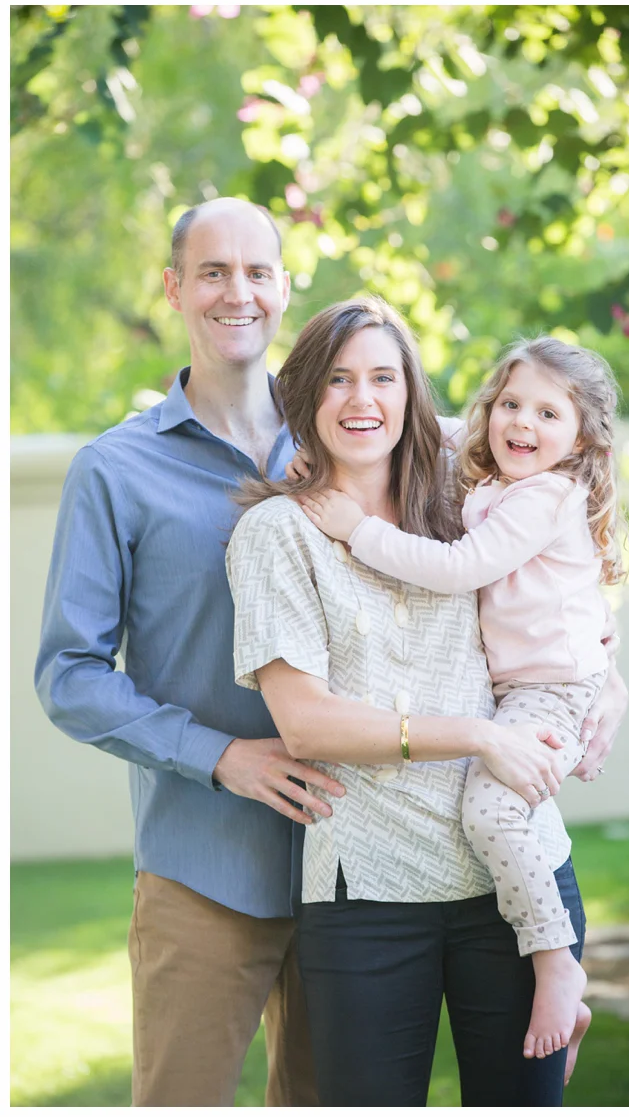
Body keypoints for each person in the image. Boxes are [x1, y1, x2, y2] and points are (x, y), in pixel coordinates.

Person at [228, 296, 618, 1105]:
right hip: (368, 886)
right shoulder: (279, 534)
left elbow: (566, 591)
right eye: (337, 381)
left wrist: (611, 677)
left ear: (412, 394)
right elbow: (305, 724)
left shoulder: (468, 494)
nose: (362, 400)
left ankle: (561, 975)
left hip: (514, 874)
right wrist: (478, 735)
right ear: (304, 396)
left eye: (382, 377)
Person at [35, 197, 334, 1106]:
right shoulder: (114, 471)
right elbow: (69, 674)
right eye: (212, 271)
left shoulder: (347, 446)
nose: (235, 292)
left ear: (285, 289)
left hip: (353, 873)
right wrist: (223, 758)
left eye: (255, 272)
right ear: (174, 288)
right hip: (203, 871)